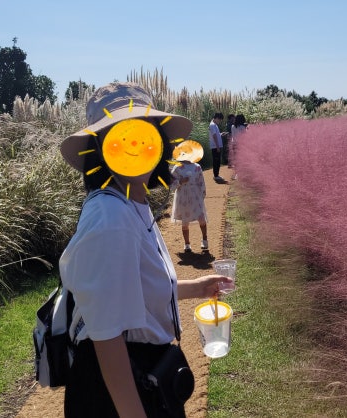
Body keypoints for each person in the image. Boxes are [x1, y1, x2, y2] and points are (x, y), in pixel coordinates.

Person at [58, 82, 233, 417]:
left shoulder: (130, 202)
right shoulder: (111, 217)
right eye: (120, 137)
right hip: (117, 393)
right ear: (101, 150)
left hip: (143, 374)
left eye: (143, 134)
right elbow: (107, 338)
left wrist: (197, 287)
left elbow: (134, 290)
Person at [170, 140, 208, 253]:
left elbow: (201, 182)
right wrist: (180, 181)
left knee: (201, 218)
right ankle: (187, 244)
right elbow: (171, 185)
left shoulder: (197, 167)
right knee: (185, 221)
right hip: (183, 197)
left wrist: (202, 194)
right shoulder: (177, 168)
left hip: (195, 195)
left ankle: (205, 239)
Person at [208, 112, 225, 182]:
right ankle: (216, 176)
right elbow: (214, 136)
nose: (220, 121)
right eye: (220, 120)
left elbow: (216, 135)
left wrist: (220, 134)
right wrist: (217, 147)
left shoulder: (214, 125)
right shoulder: (212, 125)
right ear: (217, 118)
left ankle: (217, 175)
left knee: (217, 161)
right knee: (216, 161)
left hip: (217, 146)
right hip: (215, 147)